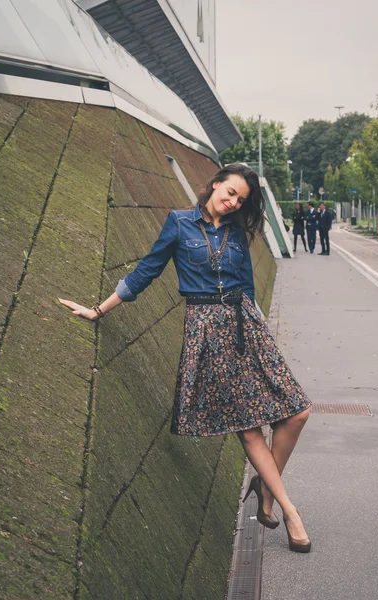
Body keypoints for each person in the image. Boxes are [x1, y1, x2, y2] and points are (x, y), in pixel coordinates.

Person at [59, 163, 312, 553]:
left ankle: (264, 487)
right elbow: (147, 270)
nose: (232, 203)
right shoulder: (179, 223)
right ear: (214, 185)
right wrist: (99, 309)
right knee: (247, 427)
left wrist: (264, 341)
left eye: (241, 200)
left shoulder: (235, 233)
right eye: (229, 193)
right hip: (207, 330)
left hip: (245, 325)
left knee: (296, 412)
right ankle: (290, 510)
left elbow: (245, 284)